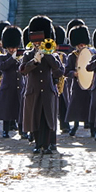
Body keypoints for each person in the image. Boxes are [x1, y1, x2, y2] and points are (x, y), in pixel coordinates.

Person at [20, 16, 64, 154]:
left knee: (47, 119)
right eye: (35, 41)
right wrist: (34, 61)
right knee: (35, 118)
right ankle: (38, 144)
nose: (38, 44)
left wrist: (47, 54)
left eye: (40, 41)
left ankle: (47, 144)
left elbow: (58, 70)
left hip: (47, 90)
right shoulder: (28, 54)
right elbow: (22, 70)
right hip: (33, 91)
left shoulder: (53, 54)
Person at [64, 25, 93, 137]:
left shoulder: (91, 54)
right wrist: (74, 73)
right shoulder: (72, 56)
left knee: (89, 107)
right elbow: (66, 71)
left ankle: (92, 128)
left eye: (83, 43)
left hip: (89, 85)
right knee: (76, 107)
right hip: (77, 85)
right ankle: (75, 126)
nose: (81, 45)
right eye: (79, 44)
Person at [0, 26, 24, 139]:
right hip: (7, 87)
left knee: (20, 110)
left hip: (19, 86)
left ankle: (22, 131)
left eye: (14, 47)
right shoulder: (1, 57)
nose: (12, 50)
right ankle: (5, 131)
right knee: (7, 111)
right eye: (10, 48)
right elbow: (3, 67)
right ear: (7, 47)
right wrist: (12, 58)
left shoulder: (21, 57)